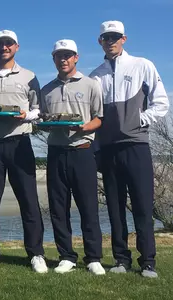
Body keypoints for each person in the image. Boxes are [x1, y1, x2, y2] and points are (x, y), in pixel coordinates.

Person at [89, 20, 169, 278]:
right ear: (100, 41)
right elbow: (93, 114)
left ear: (124, 39)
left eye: (114, 37)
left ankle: (147, 261)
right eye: (105, 37)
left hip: (136, 146)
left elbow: (161, 103)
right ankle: (121, 259)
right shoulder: (95, 75)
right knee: (114, 208)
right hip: (109, 149)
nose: (110, 41)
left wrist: (139, 121)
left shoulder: (143, 65)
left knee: (143, 206)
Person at [0, 30, 47, 273]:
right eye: (0, 44)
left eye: (9, 44)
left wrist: (27, 115)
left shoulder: (29, 76)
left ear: (16, 47)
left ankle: (36, 253)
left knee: (28, 200)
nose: (4, 47)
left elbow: (39, 109)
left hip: (20, 142)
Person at [40, 39, 106, 275]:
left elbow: (99, 118)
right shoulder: (46, 89)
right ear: (54, 59)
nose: (64, 59)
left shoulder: (90, 84)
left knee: (88, 206)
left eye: (68, 55)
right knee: (59, 208)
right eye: (59, 55)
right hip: (56, 152)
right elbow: (44, 121)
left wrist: (86, 127)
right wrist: (46, 124)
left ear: (76, 57)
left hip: (82, 151)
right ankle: (66, 255)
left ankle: (93, 257)